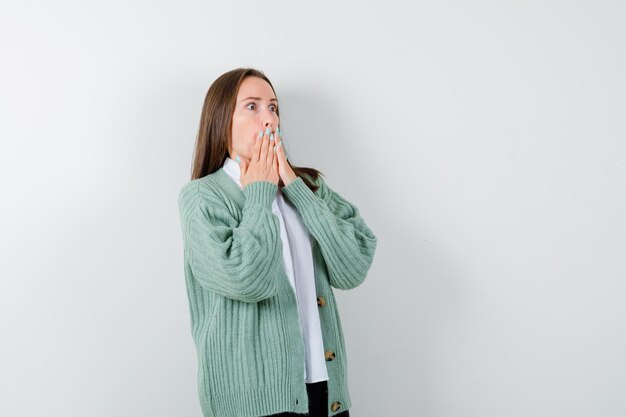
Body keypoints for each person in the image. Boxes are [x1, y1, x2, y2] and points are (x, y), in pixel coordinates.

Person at [178, 67, 378, 417]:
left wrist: (295, 186)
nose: (268, 118)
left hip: (325, 392)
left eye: (273, 107)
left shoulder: (310, 188)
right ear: (222, 120)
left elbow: (354, 266)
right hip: (250, 402)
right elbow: (244, 278)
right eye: (252, 107)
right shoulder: (202, 197)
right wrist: (259, 192)